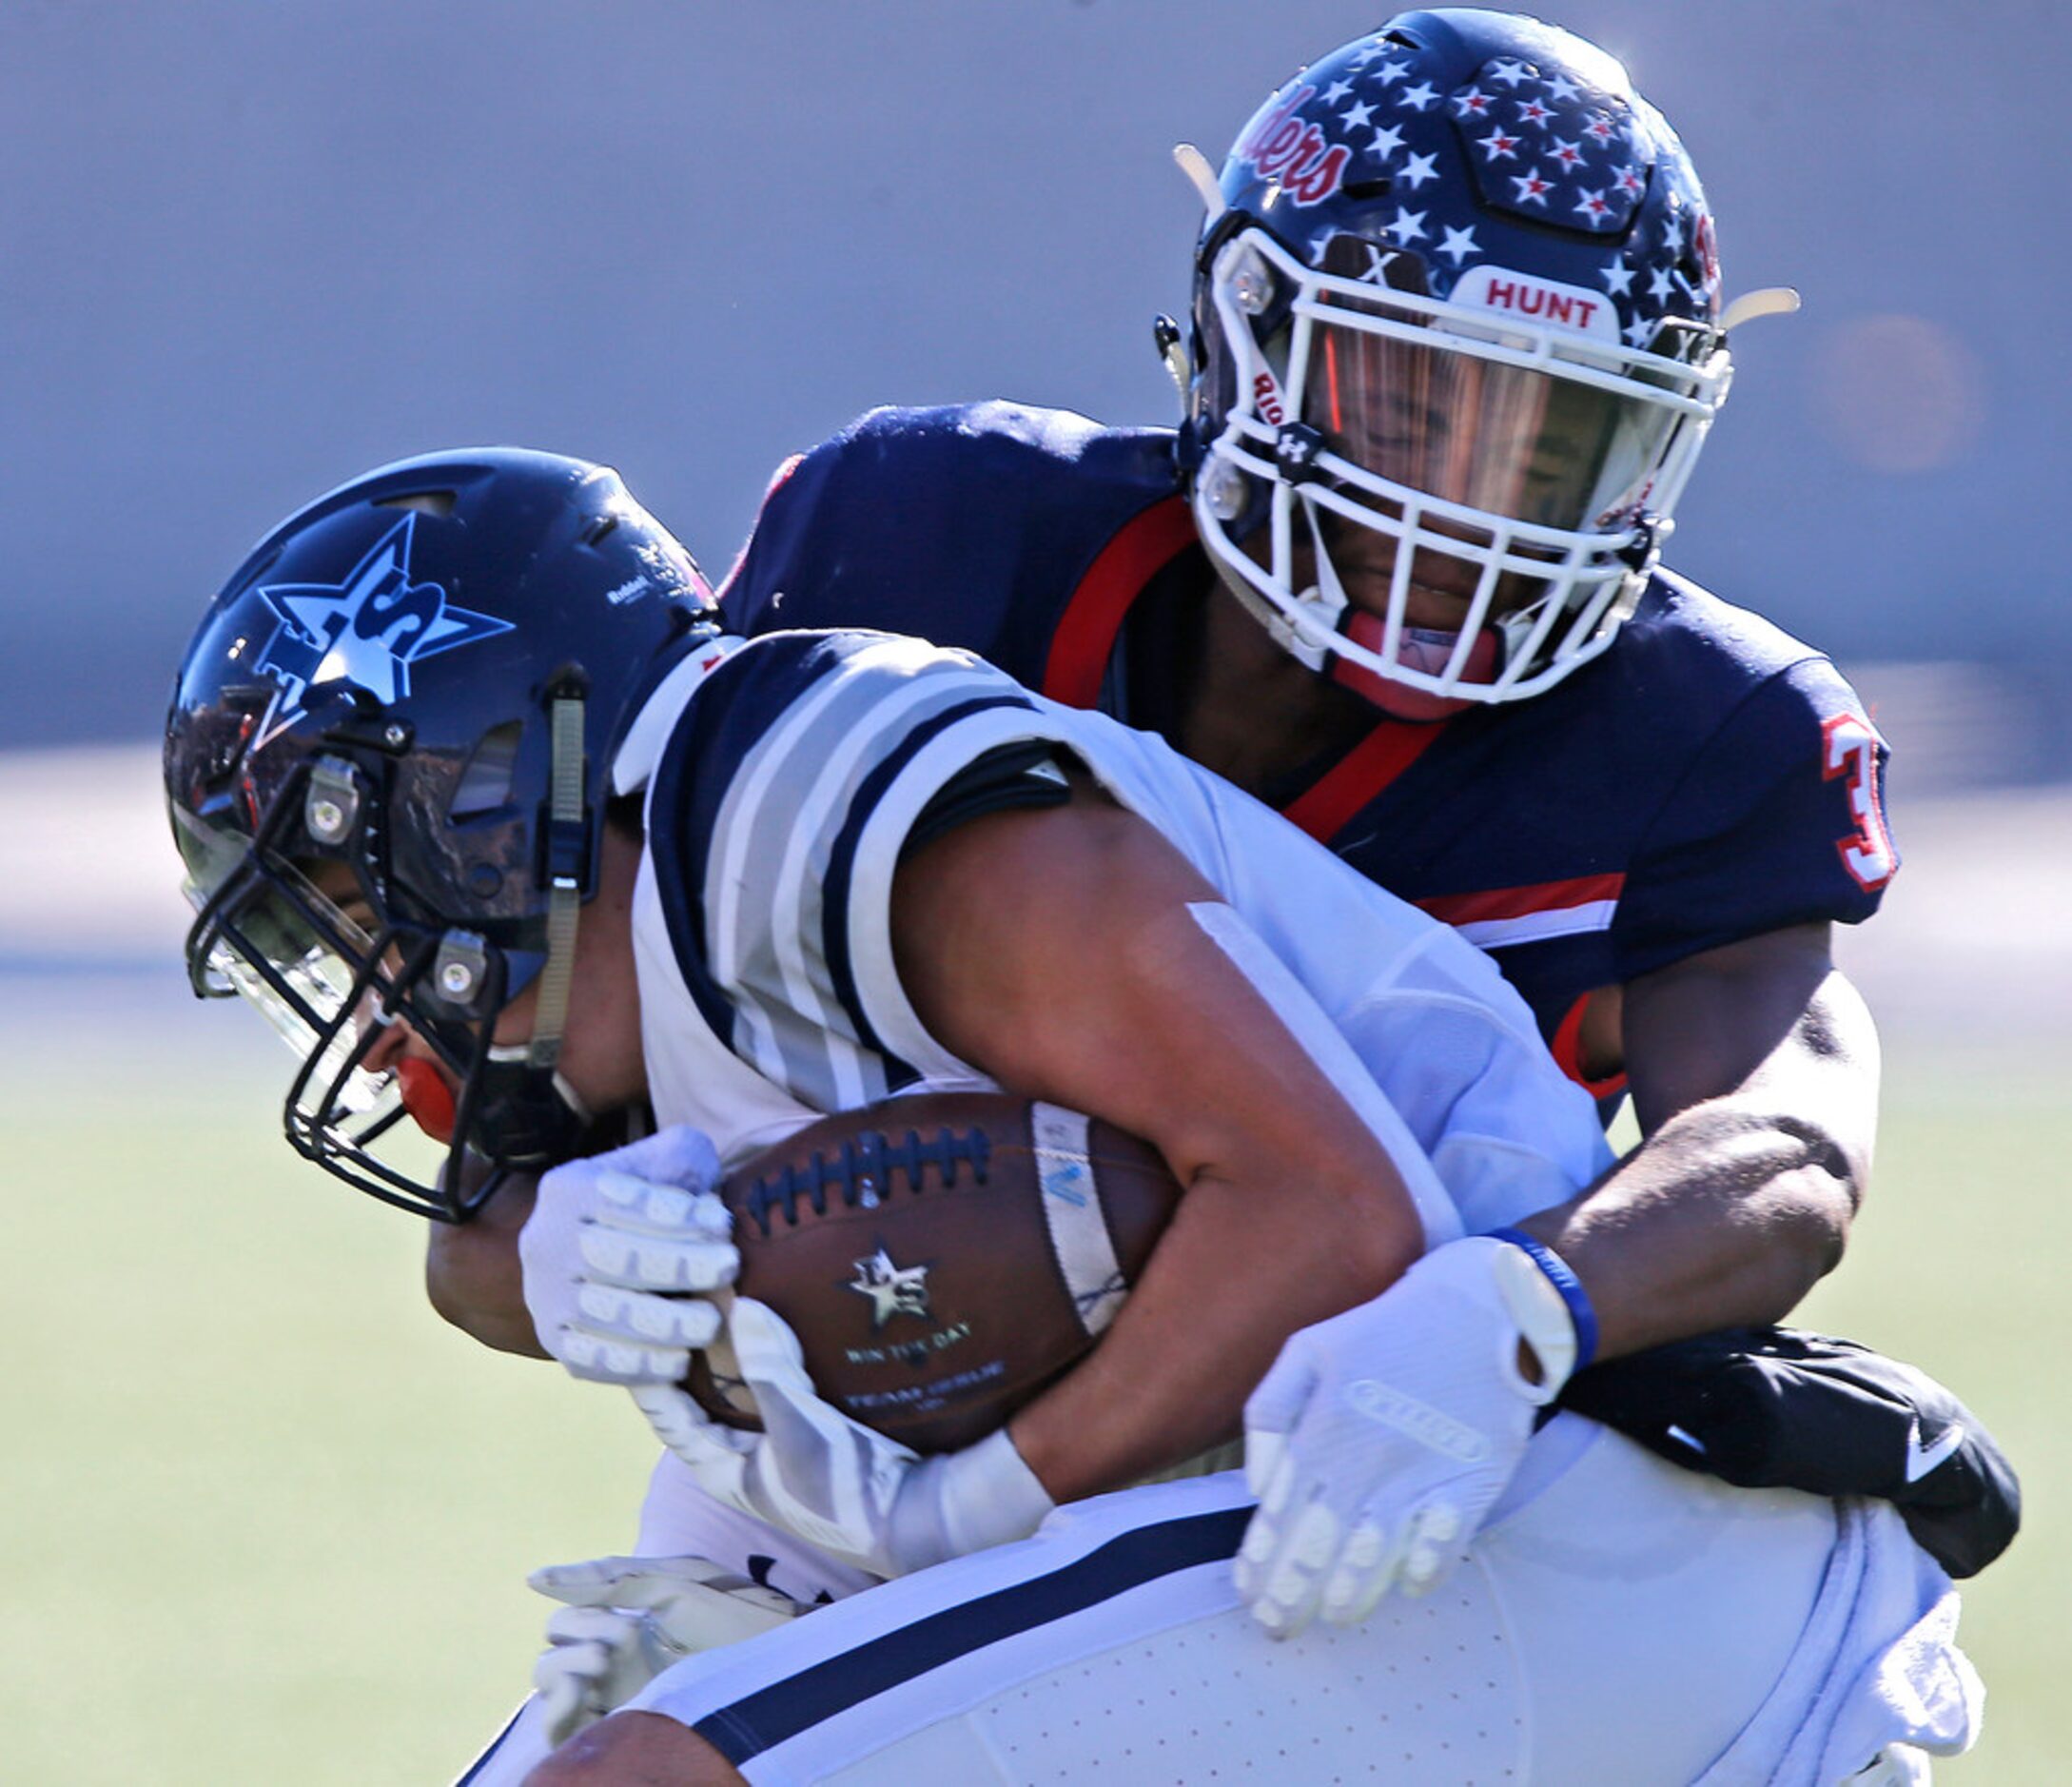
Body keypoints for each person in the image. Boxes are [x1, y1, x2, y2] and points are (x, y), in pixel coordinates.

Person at [166, 448, 1979, 1783]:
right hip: (1320, 1531)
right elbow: (478, 1248)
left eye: (345, 910)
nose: (369, 989)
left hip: (1523, 1521)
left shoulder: (802, 792)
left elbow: (1324, 1212)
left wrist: (965, 1517)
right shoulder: (662, 927)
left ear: (483, 807)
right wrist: (564, 1265)